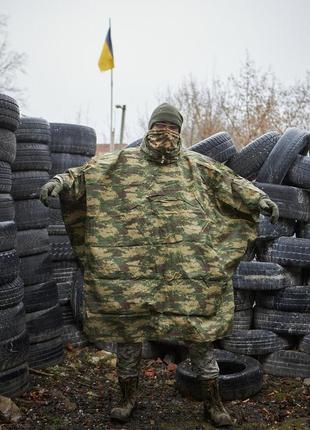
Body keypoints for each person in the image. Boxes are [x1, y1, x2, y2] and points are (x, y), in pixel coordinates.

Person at [40, 103, 278, 427]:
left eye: (171, 126)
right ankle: (127, 399)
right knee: (128, 337)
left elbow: (231, 183)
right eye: (159, 125)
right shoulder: (121, 163)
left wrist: (259, 199)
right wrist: (61, 182)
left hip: (183, 273)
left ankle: (213, 404)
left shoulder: (197, 166)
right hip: (133, 275)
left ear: (179, 131)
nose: (164, 131)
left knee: (200, 335)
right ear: (149, 128)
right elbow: (85, 174)